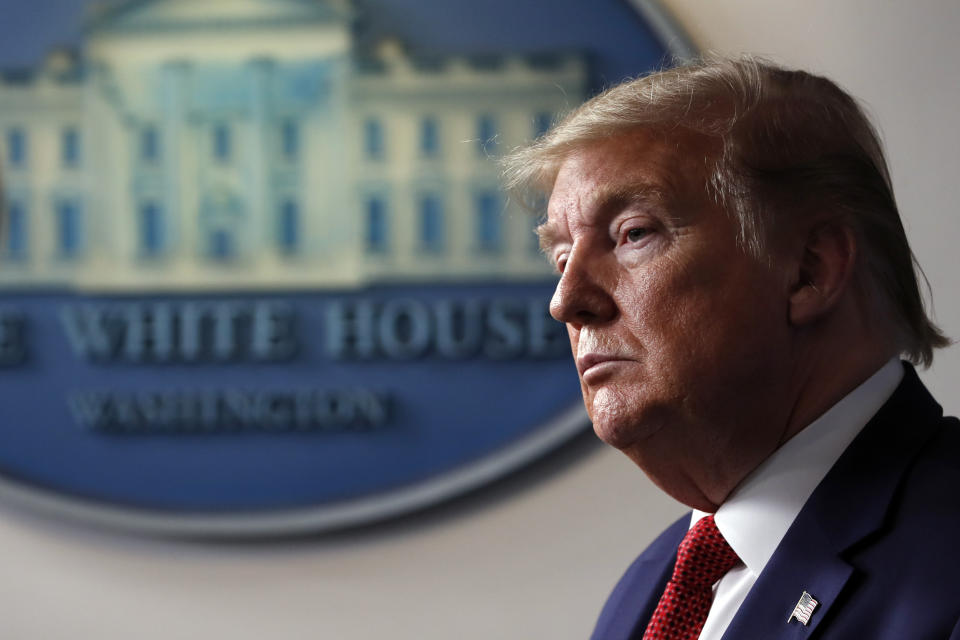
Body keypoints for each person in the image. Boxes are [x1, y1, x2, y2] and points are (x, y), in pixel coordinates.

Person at [503, 56, 960, 639]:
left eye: (633, 234)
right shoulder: (648, 590)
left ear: (809, 271)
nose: (566, 301)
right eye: (562, 257)